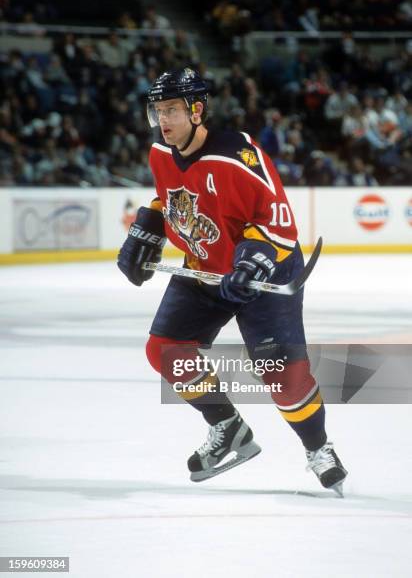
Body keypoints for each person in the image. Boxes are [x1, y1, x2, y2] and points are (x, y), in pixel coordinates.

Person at [117, 67, 347, 494]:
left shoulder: (236, 155)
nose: (162, 120)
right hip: (204, 269)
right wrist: (147, 225)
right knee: (165, 350)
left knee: (282, 375)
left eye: (171, 110)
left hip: (265, 272)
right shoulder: (160, 152)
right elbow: (171, 198)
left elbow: (279, 221)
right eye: (157, 111)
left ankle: (319, 447)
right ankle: (228, 426)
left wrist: (251, 262)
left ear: (197, 110)